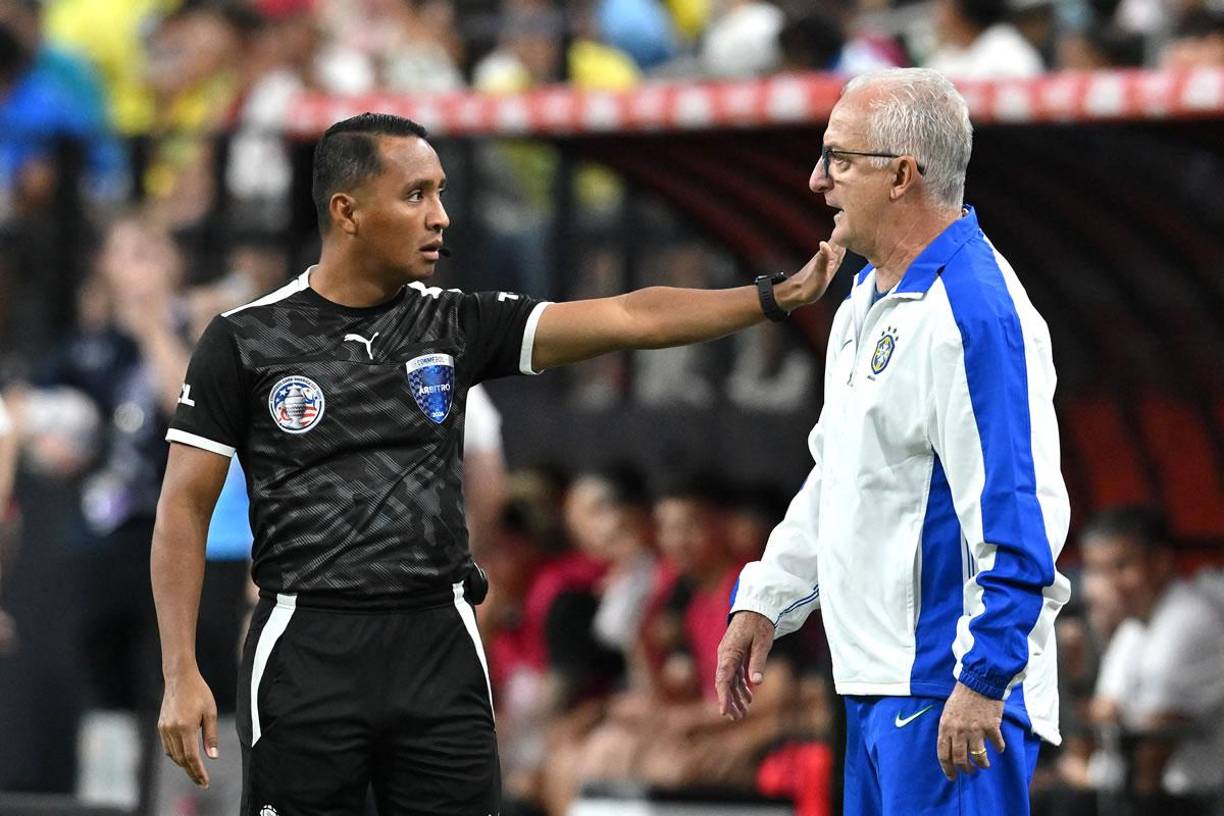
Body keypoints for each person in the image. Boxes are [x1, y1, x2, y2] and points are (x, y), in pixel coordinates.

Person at [151, 111, 844, 814]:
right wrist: (181, 672)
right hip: (308, 641)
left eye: (442, 192)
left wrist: (774, 296)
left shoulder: (454, 323)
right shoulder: (245, 341)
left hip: (438, 642)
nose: (441, 217)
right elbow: (183, 506)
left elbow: (632, 317)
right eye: (416, 194)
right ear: (347, 211)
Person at [715, 68, 1071, 815]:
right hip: (876, 684)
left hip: (951, 695)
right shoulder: (864, 299)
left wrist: (985, 676)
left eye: (838, 158)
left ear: (903, 174)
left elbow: (1018, 507)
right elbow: (838, 473)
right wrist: (766, 600)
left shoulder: (976, 312)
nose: (817, 180)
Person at [1082, 507, 1224, 816]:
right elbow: (1100, 714)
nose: (1106, 584)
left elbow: (1149, 758)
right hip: (1136, 789)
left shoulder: (1189, 619)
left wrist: (1087, 774)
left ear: (1159, 562)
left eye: (1121, 567)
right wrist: (1088, 642)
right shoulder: (1134, 624)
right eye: (1096, 570)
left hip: (1197, 799)